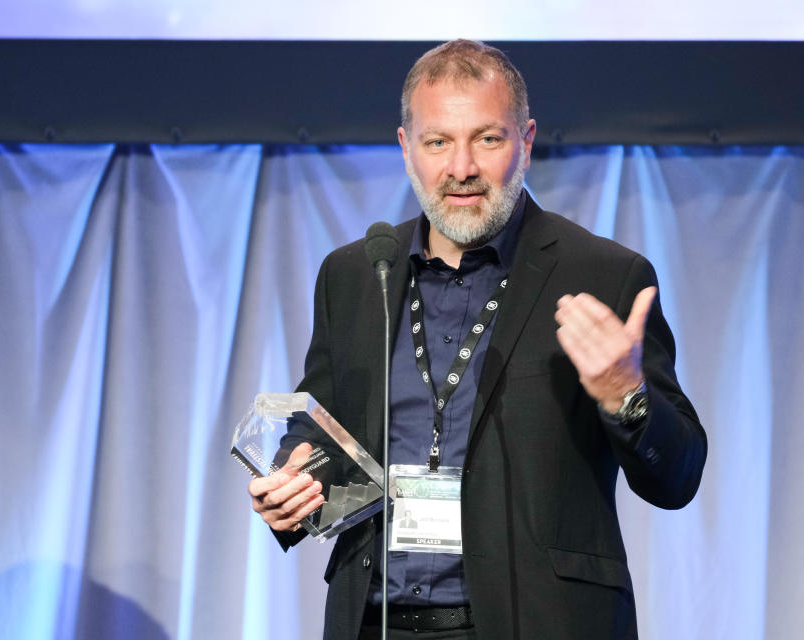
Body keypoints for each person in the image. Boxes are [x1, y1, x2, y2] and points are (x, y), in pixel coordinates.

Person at [248, 39, 707, 640]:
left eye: (487, 138)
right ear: (406, 148)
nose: (460, 166)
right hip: (376, 620)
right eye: (438, 141)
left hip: (540, 622)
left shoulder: (603, 275)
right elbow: (319, 428)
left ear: (526, 140)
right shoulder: (358, 274)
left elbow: (677, 477)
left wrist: (627, 395)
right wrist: (290, 483)